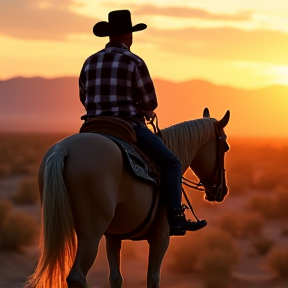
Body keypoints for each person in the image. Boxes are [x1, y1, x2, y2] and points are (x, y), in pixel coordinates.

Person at [79, 10, 207, 236]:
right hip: (127, 127)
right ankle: (176, 218)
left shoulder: (90, 61)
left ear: (109, 35)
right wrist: (143, 109)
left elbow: (83, 97)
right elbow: (150, 102)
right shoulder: (134, 61)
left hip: (93, 127)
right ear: (129, 35)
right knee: (171, 163)